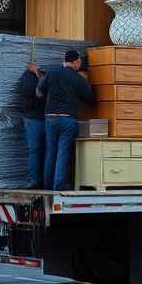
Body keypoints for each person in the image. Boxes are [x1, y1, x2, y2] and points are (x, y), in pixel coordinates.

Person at [38, 50, 94, 191]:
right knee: (63, 152)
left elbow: (40, 92)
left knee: (50, 151)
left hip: (50, 118)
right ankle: (59, 185)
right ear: (75, 62)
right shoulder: (79, 79)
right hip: (67, 120)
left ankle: (47, 185)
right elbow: (90, 99)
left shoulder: (52, 72)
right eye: (79, 62)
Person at [19, 61, 45, 189]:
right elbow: (38, 93)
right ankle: (33, 179)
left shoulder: (40, 76)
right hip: (33, 118)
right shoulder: (27, 78)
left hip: (42, 118)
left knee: (42, 150)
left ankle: (40, 179)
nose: (38, 66)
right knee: (35, 149)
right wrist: (37, 75)